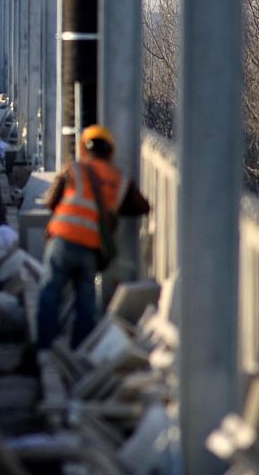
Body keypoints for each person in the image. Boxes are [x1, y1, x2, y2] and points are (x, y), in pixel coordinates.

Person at [36, 125, 151, 351]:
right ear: (110, 151)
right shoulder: (118, 180)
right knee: (85, 303)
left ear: (84, 147)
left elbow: (51, 202)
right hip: (90, 248)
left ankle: (45, 347)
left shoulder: (74, 170)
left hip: (62, 240)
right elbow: (142, 206)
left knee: (50, 292)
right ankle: (80, 351)